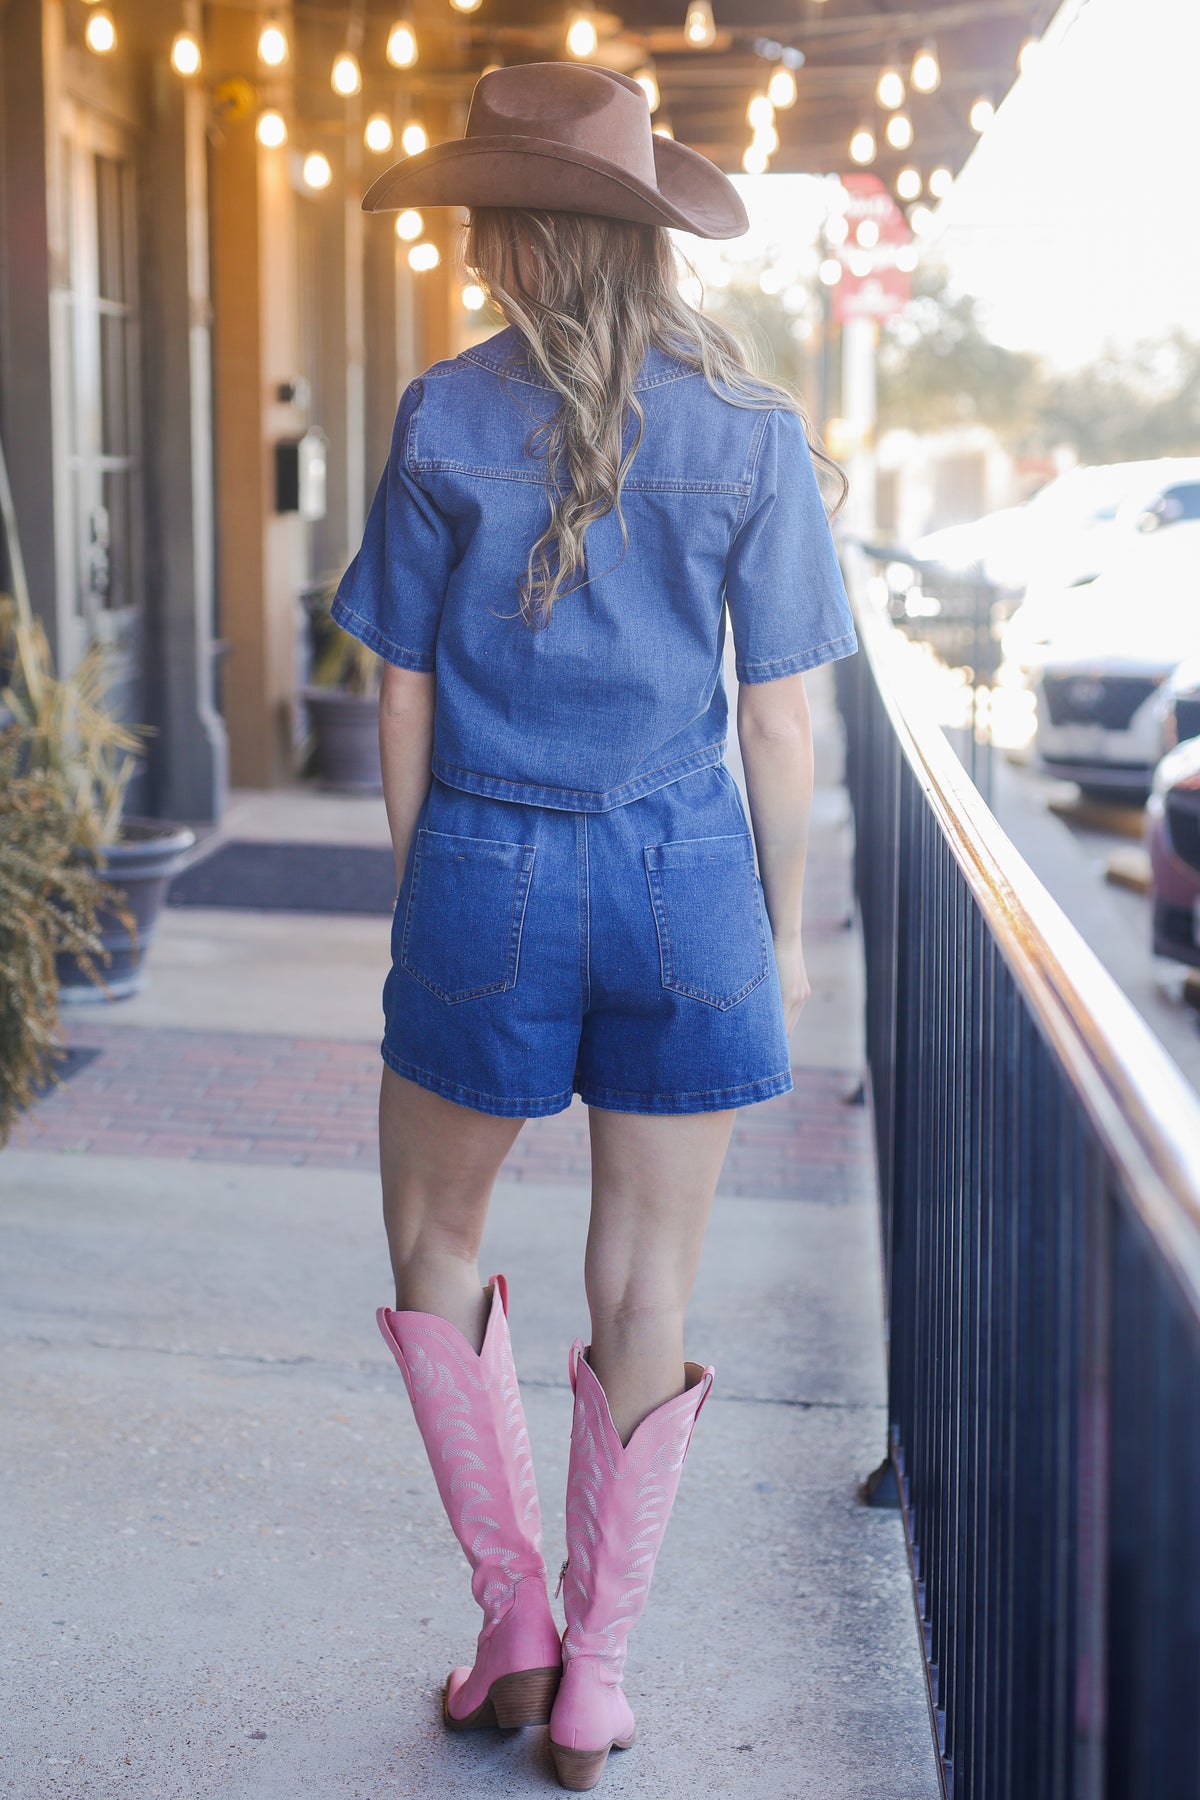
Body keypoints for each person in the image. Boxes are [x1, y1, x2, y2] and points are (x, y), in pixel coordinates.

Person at [331, 60, 858, 1793]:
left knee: (432, 1241)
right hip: (689, 880)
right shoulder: (757, 434)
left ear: (517, 239)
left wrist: (428, 896)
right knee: (645, 1281)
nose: (478, 245)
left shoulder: (439, 416)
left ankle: (511, 1629)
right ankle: (597, 1683)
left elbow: (399, 699)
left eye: (490, 215)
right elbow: (781, 722)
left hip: (487, 865)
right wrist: (782, 936)